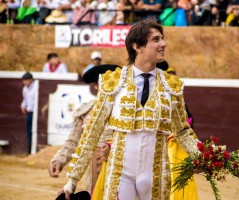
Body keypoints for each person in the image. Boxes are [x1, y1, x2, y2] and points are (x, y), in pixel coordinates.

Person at [59, 17, 200, 200]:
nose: (163, 44)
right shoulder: (114, 82)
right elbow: (93, 131)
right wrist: (73, 177)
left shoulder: (171, 86)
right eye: (156, 39)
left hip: (156, 174)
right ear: (138, 46)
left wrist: (201, 157)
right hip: (121, 173)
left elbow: (182, 130)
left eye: (162, 38)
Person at [49, 64, 120, 194]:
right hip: (94, 171)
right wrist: (60, 159)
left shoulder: (127, 110)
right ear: (96, 86)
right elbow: (74, 140)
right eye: (104, 83)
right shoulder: (87, 111)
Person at [21, 72, 37, 154]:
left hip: (35, 113)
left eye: (26, 80)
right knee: (29, 131)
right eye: (24, 80)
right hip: (29, 112)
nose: (25, 82)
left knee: (33, 131)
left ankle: (32, 150)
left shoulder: (36, 87)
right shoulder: (25, 89)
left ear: (31, 80)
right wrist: (23, 106)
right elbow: (25, 100)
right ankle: (29, 150)